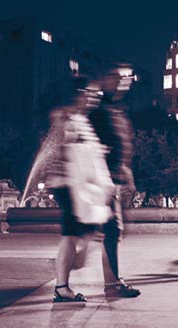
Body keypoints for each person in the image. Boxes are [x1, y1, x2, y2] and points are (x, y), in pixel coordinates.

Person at [47, 77, 113, 303]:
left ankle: (64, 276)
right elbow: (63, 148)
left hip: (74, 185)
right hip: (67, 185)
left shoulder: (80, 118)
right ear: (79, 93)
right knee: (77, 234)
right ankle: (62, 283)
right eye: (91, 92)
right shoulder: (67, 116)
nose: (95, 96)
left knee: (81, 233)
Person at [89, 65, 140, 298]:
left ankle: (111, 281)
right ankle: (111, 284)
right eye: (116, 77)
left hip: (111, 177)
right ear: (105, 79)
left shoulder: (114, 108)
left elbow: (120, 143)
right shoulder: (98, 109)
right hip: (102, 178)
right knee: (110, 229)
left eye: (125, 78)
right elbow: (94, 143)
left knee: (111, 230)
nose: (122, 81)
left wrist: (125, 170)